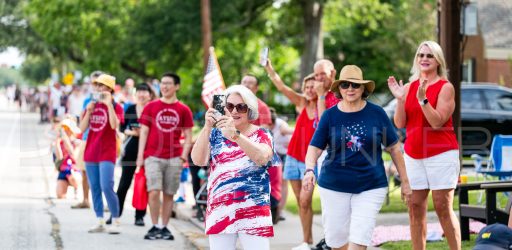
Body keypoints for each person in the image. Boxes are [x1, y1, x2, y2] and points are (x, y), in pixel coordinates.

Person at [303, 65, 412, 250]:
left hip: (370, 186)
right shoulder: (330, 115)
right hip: (334, 185)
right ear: (339, 89)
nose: (350, 89)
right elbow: (314, 147)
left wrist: (406, 182)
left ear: (363, 88)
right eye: (345, 85)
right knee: (336, 242)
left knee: (359, 240)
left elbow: (394, 148)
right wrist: (309, 170)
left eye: (355, 85)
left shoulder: (377, 113)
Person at [387, 40, 461, 250]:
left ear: (438, 61)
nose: (424, 59)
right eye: (421, 55)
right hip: (413, 155)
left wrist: (423, 100)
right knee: (415, 207)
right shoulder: (409, 87)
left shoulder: (445, 87)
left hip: (441, 154)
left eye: (429, 55)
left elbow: (437, 122)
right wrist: (401, 100)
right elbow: (400, 123)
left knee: (442, 207)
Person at [191, 85, 276, 250]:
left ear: (249, 110)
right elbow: (198, 160)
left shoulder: (263, 134)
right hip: (221, 209)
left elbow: (262, 158)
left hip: (254, 210)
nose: (235, 111)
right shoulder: (214, 134)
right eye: (229, 106)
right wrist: (207, 127)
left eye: (241, 107)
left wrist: (235, 135)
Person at [265, 58, 337, 250]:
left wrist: (320, 96)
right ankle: (307, 241)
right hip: (293, 157)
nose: (309, 89)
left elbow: (324, 125)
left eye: (313, 86)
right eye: (307, 86)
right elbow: (282, 87)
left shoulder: (329, 101)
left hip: (310, 160)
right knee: (301, 203)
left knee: (306, 199)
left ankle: (323, 240)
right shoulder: (302, 103)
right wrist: (269, 69)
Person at [136, 72, 193, 240]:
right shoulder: (151, 107)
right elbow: (144, 132)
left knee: (169, 193)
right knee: (153, 191)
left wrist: (183, 155)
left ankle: (164, 227)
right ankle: (154, 225)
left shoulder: (184, 109)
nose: (165, 86)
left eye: (168, 83)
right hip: (152, 156)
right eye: (162, 83)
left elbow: (189, 135)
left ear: (177, 86)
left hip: (174, 157)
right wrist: (140, 156)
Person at [79, 73, 124, 234]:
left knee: (107, 186)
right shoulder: (91, 105)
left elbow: (114, 125)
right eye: (96, 85)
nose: (98, 88)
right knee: (95, 187)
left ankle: (116, 220)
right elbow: (82, 128)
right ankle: (99, 220)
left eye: (101, 85)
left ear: (110, 89)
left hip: (107, 152)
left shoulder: (117, 106)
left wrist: (109, 105)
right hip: (91, 152)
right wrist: (88, 111)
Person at [114, 83, 156, 226]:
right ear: (135, 93)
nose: (142, 94)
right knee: (124, 183)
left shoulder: (153, 109)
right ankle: (115, 213)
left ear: (150, 95)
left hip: (148, 152)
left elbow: (156, 130)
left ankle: (139, 216)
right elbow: (122, 128)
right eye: (139, 91)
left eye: (145, 92)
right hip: (130, 150)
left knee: (142, 184)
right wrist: (134, 132)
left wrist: (144, 132)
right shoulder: (130, 108)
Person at [72, 71, 103, 209]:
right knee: (84, 171)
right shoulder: (87, 100)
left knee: (103, 172)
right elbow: (82, 121)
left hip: (103, 141)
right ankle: (85, 200)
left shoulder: (111, 101)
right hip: (87, 138)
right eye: (94, 83)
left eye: (99, 83)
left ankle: (101, 201)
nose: (96, 86)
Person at [268, 107, 293, 221]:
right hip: (272, 154)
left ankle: (279, 211)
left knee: (283, 182)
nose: (269, 128)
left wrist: (291, 140)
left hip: (284, 154)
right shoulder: (263, 125)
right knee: (271, 181)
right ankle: (272, 208)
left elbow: (294, 131)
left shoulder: (281, 125)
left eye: (271, 126)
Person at [54, 117, 81, 199]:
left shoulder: (77, 142)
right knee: (60, 195)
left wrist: (66, 141)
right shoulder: (60, 142)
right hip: (63, 171)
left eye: (66, 128)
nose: (65, 130)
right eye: (63, 128)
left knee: (73, 178)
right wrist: (57, 143)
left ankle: (77, 189)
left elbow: (74, 156)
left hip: (74, 170)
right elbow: (59, 158)